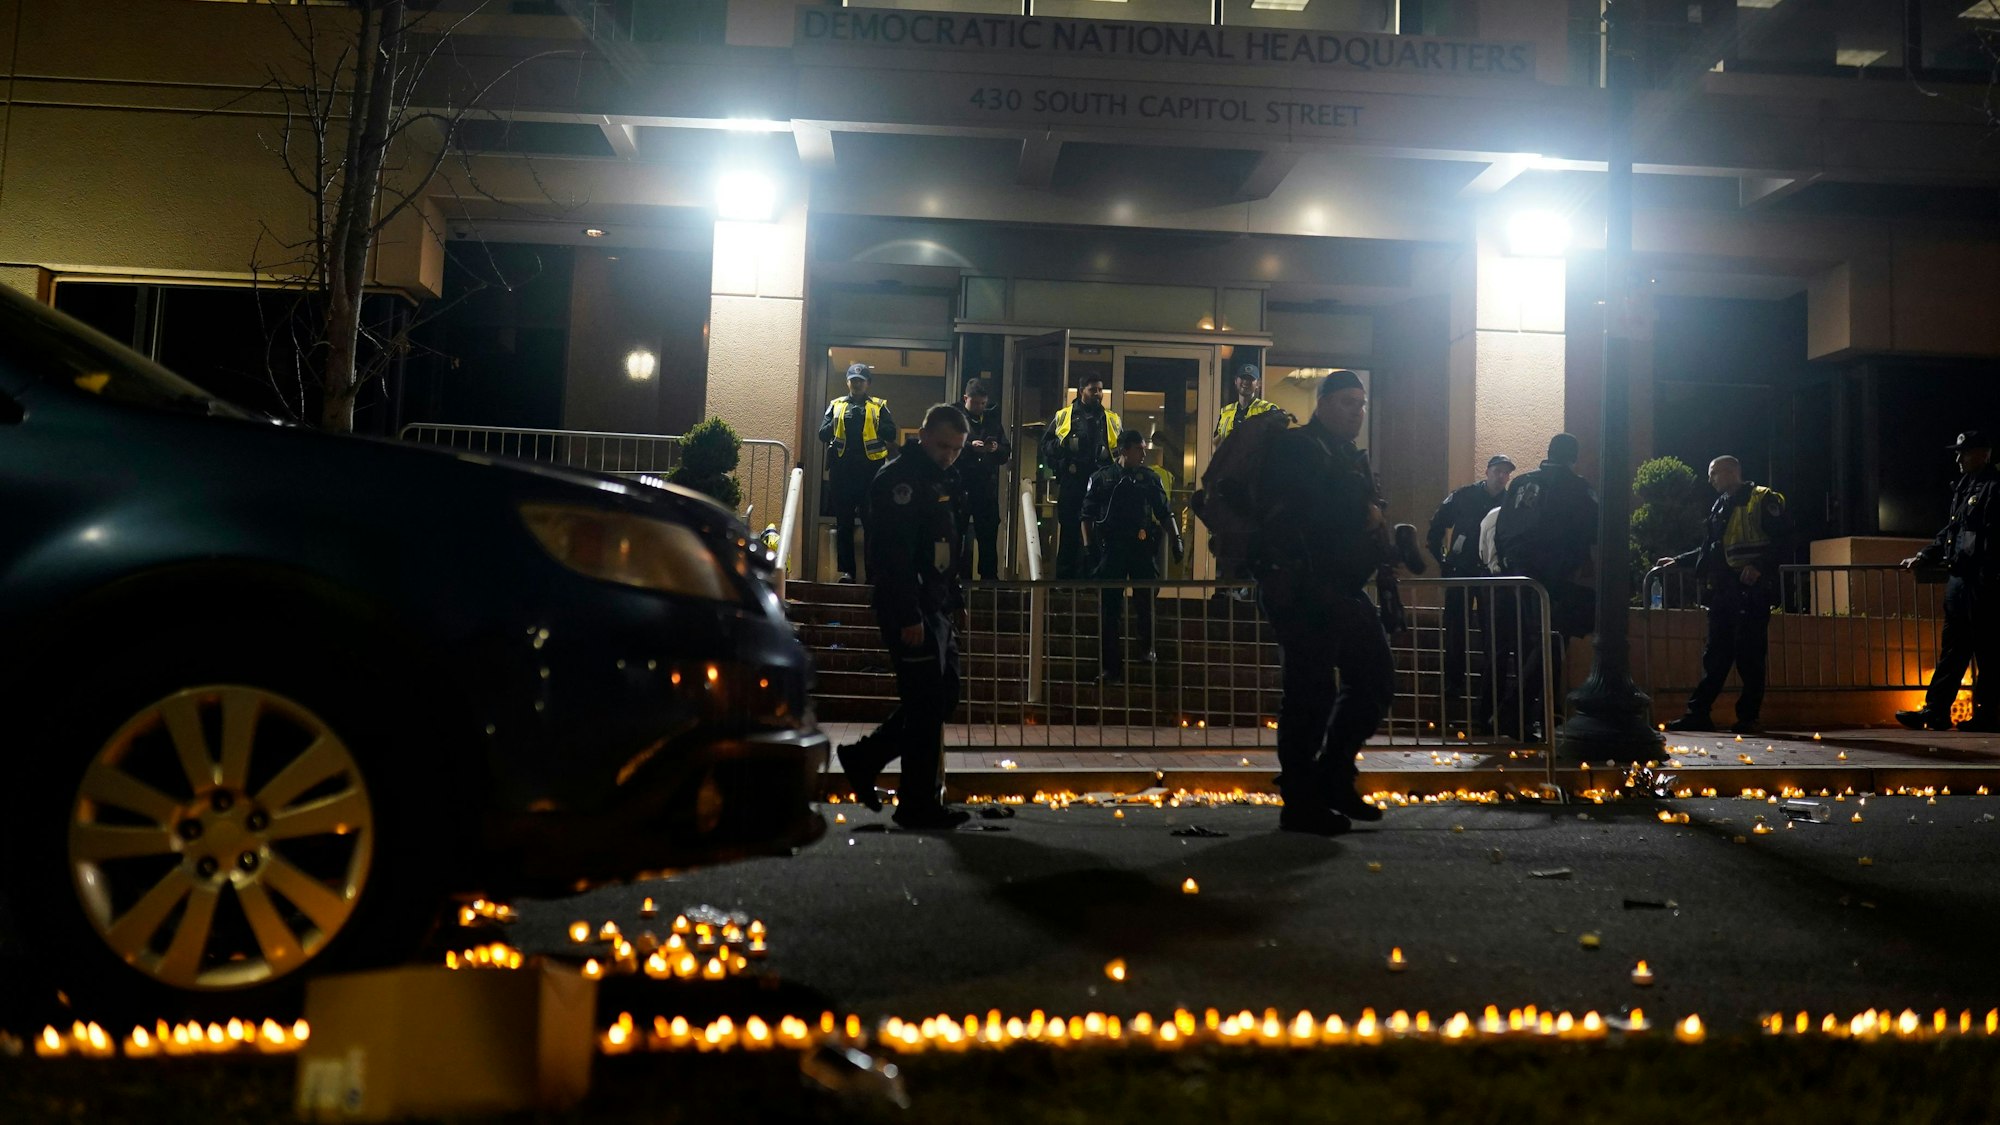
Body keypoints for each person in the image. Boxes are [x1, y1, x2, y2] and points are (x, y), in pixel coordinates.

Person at [1253, 370, 1393, 835]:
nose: (1358, 412)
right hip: (1302, 587)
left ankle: (1333, 778)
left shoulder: (1343, 454)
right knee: (1309, 696)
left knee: (1374, 679)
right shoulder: (1297, 447)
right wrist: (1362, 510)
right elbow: (1304, 511)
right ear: (1324, 403)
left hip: (1341, 587)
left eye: (1362, 403)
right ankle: (1300, 801)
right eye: (1348, 402)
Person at [835, 404, 972, 830]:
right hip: (909, 607)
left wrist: (952, 597)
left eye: (957, 448)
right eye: (944, 445)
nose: (949, 455)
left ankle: (865, 758)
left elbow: (942, 545)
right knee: (927, 703)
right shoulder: (899, 480)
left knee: (940, 697)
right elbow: (892, 555)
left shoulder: (940, 478)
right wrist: (909, 612)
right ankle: (917, 802)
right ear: (924, 434)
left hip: (935, 604)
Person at [1656, 456, 1791, 735]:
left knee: (1749, 656)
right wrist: (1678, 560)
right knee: (1715, 654)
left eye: (1714, 473)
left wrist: (1759, 567)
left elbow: (1785, 541)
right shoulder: (1720, 505)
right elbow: (1711, 549)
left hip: (1751, 591)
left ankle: (1748, 718)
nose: (1710, 480)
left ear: (1732, 472)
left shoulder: (1762, 499)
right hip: (1724, 591)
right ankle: (1698, 714)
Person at [1492, 433, 1598, 740]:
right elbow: (1592, 527)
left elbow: (1502, 527)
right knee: (1551, 642)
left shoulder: (1520, 483)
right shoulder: (1576, 487)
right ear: (1572, 457)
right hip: (1556, 577)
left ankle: (1535, 718)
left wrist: (1510, 562)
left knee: (1537, 645)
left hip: (1517, 575)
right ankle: (1518, 714)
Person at [1896, 430, 1999, 732]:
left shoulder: (1994, 488)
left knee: (1988, 653)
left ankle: (1987, 716)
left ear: (1983, 454)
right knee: (1953, 650)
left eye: (1963, 453)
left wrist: (1988, 576)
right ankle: (1935, 712)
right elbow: (1950, 533)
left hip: (1983, 583)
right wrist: (1924, 555)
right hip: (1960, 581)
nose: (1958, 459)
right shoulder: (1965, 488)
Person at [1424, 454, 1515, 728]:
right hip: (1461, 571)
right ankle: (1454, 684)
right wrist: (1444, 561)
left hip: (1490, 574)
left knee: (1491, 632)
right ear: (1487, 471)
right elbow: (1436, 527)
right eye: (1498, 471)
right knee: (1455, 628)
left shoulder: (1510, 502)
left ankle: (1488, 690)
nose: (1502, 476)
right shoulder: (1463, 496)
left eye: (1506, 473)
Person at [1085, 429, 1182, 683]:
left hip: (1141, 546)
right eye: (1139, 449)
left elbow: (1164, 512)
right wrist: (1090, 549)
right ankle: (1110, 667)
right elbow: (1087, 515)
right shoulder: (1102, 478)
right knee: (1110, 609)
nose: (1143, 454)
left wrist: (1176, 540)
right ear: (1124, 450)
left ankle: (1147, 649)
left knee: (1146, 602)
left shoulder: (1149, 478)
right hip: (1113, 547)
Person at [817, 363, 895, 583]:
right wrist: (838, 423)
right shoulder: (836, 405)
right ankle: (847, 572)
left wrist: (875, 424)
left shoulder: (879, 406)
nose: (857, 384)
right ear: (847, 382)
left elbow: (891, 432)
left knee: (872, 524)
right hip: (842, 472)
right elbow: (822, 434)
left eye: (861, 380)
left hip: (871, 473)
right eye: (853, 380)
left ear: (868, 383)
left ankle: (873, 573)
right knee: (844, 524)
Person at [1042, 375, 1120, 579]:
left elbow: (1120, 449)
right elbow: (1046, 446)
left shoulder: (1110, 418)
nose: (1098, 394)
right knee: (1070, 531)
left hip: (1100, 483)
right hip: (1073, 481)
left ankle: (1093, 579)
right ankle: (1065, 580)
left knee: (1098, 532)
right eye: (1093, 390)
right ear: (1081, 391)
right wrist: (1063, 448)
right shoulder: (1064, 416)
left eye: (1100, 390)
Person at [957, 379, 1011, 581]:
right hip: (961, 485)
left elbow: (1005, 451)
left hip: (986, 487)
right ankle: (956, 576)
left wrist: (995, 449)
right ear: (965, 398)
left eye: (983, 403)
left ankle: (989, 579)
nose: (980, 407)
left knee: (988, 534)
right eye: (976, 403)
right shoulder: (955, 418)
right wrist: (969, 446)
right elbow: (946, 444)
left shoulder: (991, 421)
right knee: (956, 533)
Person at [1214, 362, 1283, 441]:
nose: (1246, 381)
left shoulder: (1268, 409)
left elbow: (1277, 439)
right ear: (1236, 381)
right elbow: (1216, 441)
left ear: (1258, 383)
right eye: (1243, 377)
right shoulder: (1225, 411)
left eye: (1250, 379)